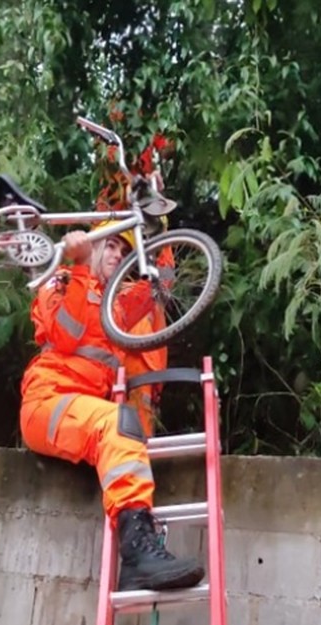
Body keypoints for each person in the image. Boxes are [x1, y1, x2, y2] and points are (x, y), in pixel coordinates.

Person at [18, 222, 204, 592]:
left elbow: (161, 285)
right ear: (92, 244)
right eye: (112, 246)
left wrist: (159, 231)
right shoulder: (60, 281)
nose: (119, 254)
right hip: (47, 401)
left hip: (80, 409)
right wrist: (83, 264)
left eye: (124, 250)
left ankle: (139, 548)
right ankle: (138, 555)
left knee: (119, 423)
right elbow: (66, 335)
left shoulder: (118, 303)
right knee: (117, 422)